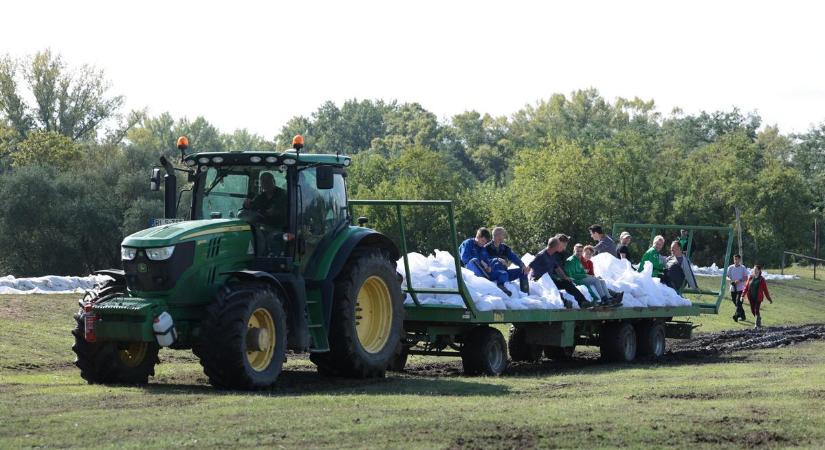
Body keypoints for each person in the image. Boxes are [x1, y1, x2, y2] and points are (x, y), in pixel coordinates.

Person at [529, 237, 593, 308]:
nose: (563, 248)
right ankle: (564, 302)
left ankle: (583, 302)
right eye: (560, 245)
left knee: (567, 283)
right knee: (553, 289)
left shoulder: (552, 255)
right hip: (539, 281)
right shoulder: (541, 255)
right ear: (555, 246)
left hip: (549, 280)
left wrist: (565, 277)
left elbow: (557, 268)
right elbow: (530, 267)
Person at [459, 227, 512, 296]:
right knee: (474, 261)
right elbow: (464, 259)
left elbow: (487, 260)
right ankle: (486, 284)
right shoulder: (468, 243)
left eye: (485, 242)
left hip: (484, 272)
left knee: (503, 273)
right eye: (483, 241)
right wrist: (481, 262)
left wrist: (490, 266)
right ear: (477, 237)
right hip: (468, 270)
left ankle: (501, 285)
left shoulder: (483, 248)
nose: (484, 244)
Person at [485, 227, 530, 294]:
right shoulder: (486, 248)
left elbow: (514, 257)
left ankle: (525, 294)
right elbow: (484, 260)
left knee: (523, 271)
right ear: (497, 235)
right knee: (498, 264)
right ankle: (501, 285)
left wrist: (522, 265)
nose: (504, 237)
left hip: (505, 273)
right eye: (503, 235)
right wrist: (496, 259)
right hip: (493, 273)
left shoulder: (505, 248)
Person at [742, 265, 773, 329]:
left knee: (756, 309)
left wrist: (769, 299)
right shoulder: (750, 277)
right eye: (754, 269)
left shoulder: (762, 279)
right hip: (751, 297)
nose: (755, 271)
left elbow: (765, 290)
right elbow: (746, 287)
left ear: (759, 270)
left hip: (758, 298)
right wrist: (742, 295)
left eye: (756, 269)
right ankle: (758, 318)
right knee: (753, 310)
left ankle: (757, 324)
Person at [727, 254, 749, 322]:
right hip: (733, 288)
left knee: (739, 302)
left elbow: (746, 277)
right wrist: (730, 281)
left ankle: (736, 315)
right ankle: (743, 316)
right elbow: (727, 276)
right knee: (735, 303)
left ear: (739, 260)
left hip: (741, 289)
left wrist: (739, 281)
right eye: (734, 259)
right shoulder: (730, 267)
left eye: (737, 259)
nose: (736, 261)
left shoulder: (743, 268)